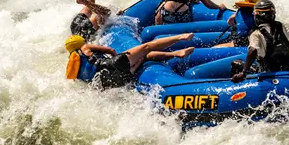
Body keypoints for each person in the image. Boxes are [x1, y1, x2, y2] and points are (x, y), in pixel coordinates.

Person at [231, 0, 289, 83]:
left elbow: (253, 51)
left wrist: (243, 73)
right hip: (288, 71)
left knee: (236, 63)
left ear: (257, 16)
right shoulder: (286, 28)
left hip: (268, 75)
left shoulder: (256, 34)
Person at [66, 33, 195, 89]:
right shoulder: (84, 47)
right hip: (114, 64)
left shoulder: (75, 68)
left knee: (144, 57)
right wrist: (123, 56)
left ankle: (175, 54)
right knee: (147, 47)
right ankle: (180, 38)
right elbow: (110, 50)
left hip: (115, 80)